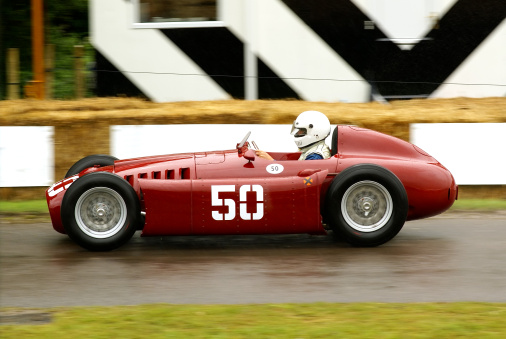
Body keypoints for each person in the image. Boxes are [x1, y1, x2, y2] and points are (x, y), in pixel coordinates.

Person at [255, 110, 331, 161]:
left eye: (301, 131)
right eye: (297, 130)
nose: (297, 133)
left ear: (316, 132)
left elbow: (300, 176)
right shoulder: (310, 148)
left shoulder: (315, 155)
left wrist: (272, 162)